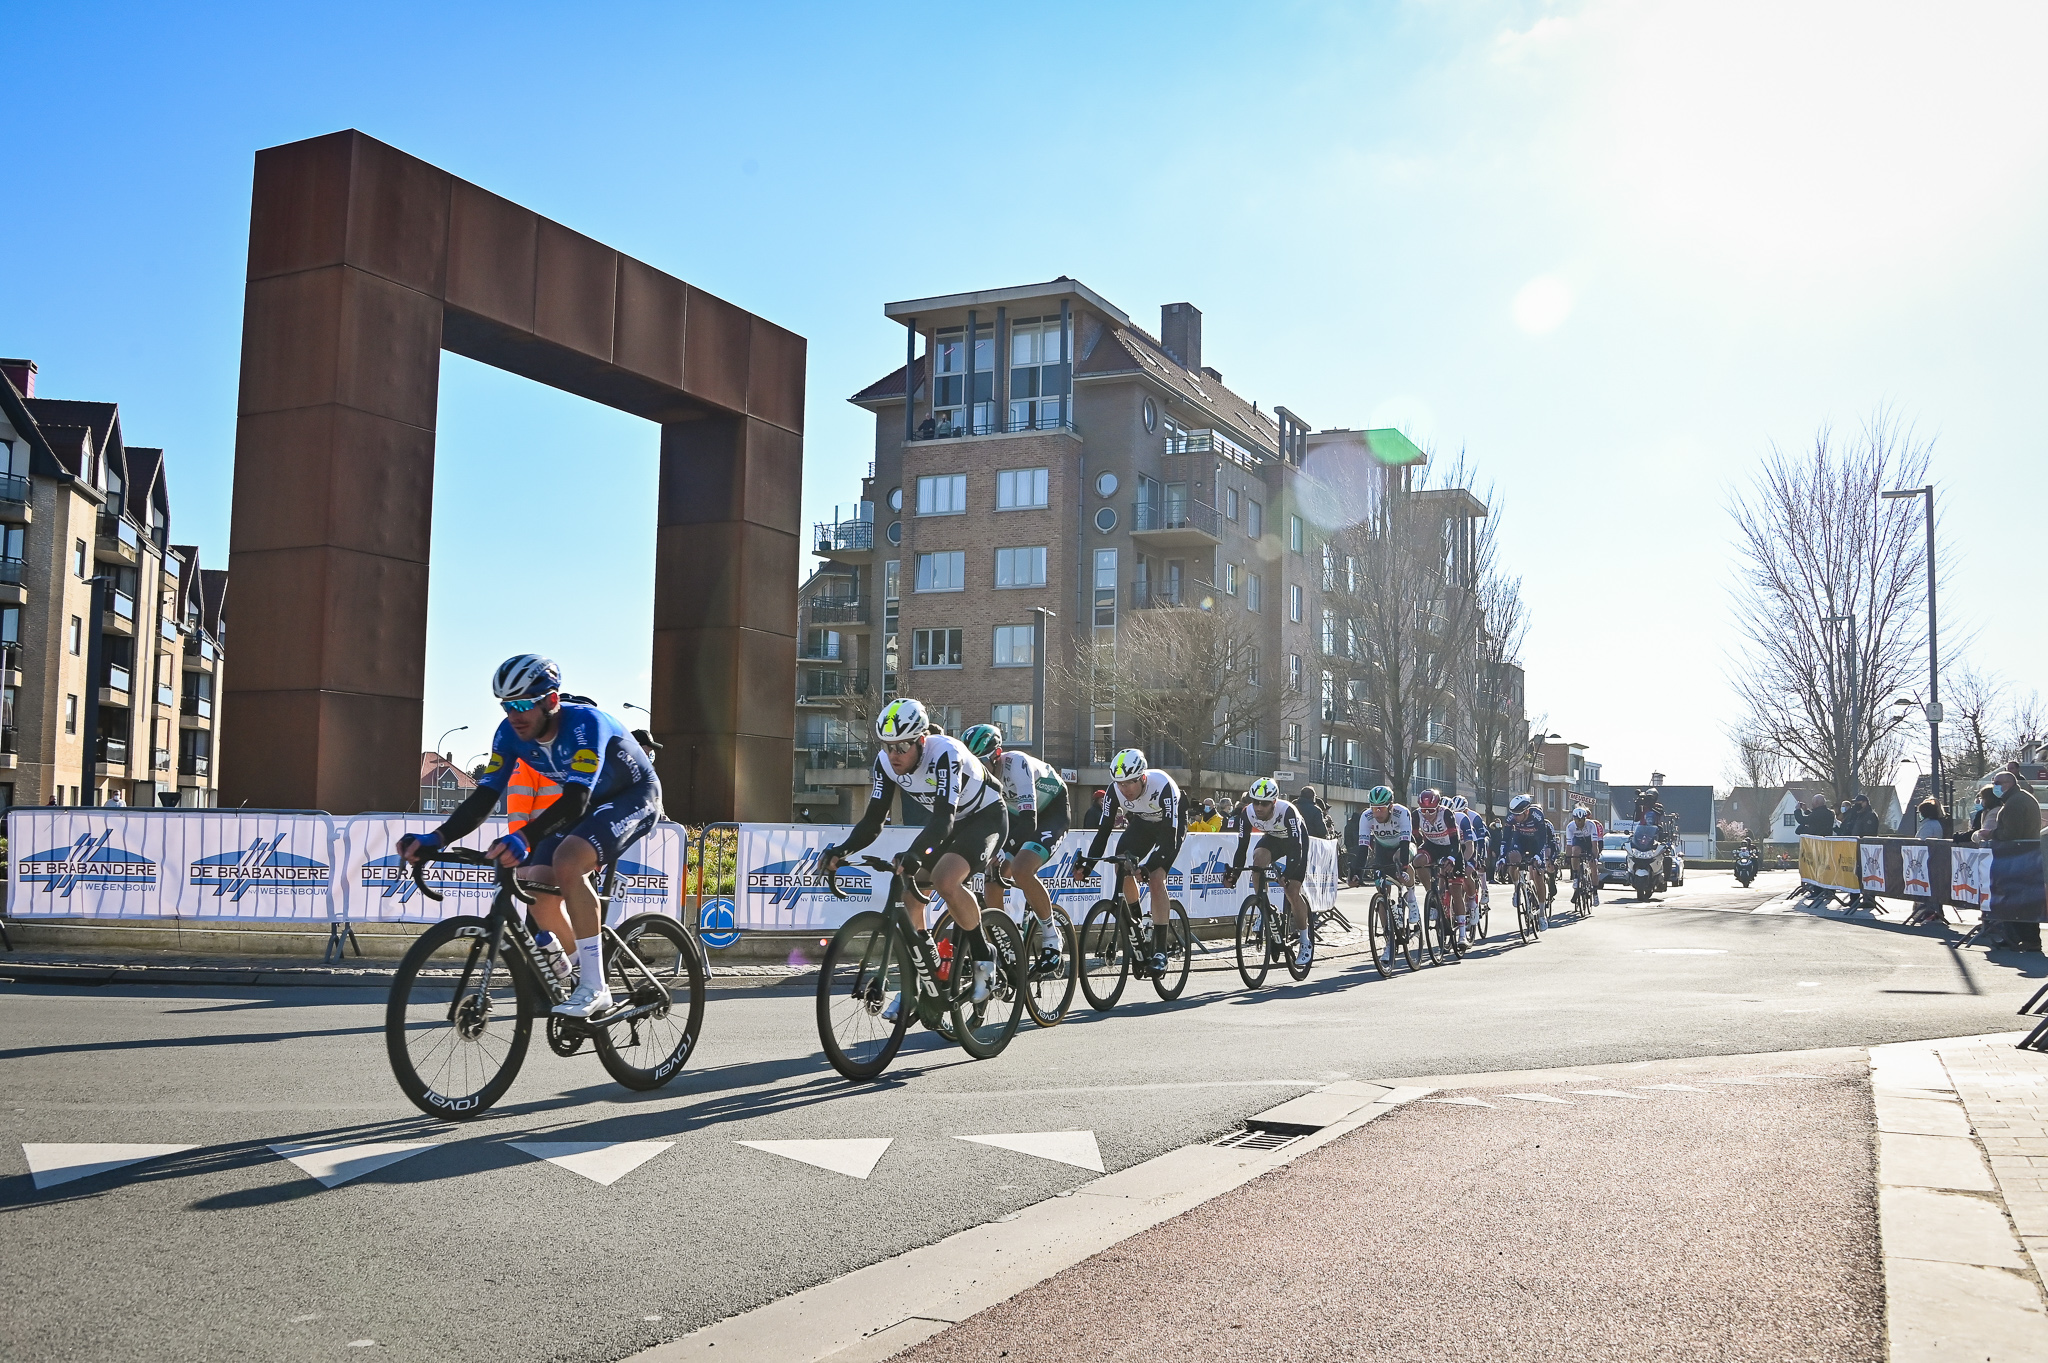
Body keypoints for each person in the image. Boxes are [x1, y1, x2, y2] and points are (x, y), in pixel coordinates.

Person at [400, 655, 662, 1018]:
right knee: (535, 883)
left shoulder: (585, 724)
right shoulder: (508, 734)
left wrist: (524, 837)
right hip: (588, 805)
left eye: (523, 704)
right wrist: (437, 837)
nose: (515, 715)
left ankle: (596, 988)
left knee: (568, 861)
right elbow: (485, 796)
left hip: (634, 797)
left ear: (551, 701)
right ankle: (583, 966)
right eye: (507, 705)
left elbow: (575, 801)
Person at [819, 699, 1008, 1015]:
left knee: (945, 880)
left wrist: (916, 854)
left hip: (985, 816)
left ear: (921, 740)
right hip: (951, 823)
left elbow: (943, 819)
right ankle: (925, 973)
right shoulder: (886, 763)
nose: (894, 755)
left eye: (903, 746)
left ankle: (984, 958)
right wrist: (841, 851)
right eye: (888, 746)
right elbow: (873, 820)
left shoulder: (945, 753)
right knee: (909, 894)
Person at [961, 722, 1069, 976]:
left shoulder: (1016, 764)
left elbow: (1029, 821)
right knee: (992, 881)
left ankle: (1052, 937)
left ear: (997, 755)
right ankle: (1006, 944)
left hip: (1049, 812)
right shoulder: (979, 777)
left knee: (1021, 869)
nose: (976, 770)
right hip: (1015, 817)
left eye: (981, 763)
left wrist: (1003, 848)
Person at [1074, 749, 1184, 978]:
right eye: (1119, 784)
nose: (1123, 789)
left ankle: (1161, 952)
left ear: (1142, 778)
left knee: (1155, 879)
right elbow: (1103, 832)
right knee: (1121, 864)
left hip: (1170, 826)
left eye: (1128, 784)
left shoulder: (1163, 785)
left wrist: (1149, 866)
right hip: (1143, 823)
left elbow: (1169, 837)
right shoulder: (1115, 791)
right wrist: (1089, 866)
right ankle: (1137, 925)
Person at [1224, 777, 1315, 968]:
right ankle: (1263, 908)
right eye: (1255, 801)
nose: (1258, 807)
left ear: (1274, 802)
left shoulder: (1287, 811)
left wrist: (1288, 874)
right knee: (1257, 860)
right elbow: (1242, 847)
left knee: (1291, 891)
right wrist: (1235, 874)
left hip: (1295, 842)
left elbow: (1296, 847)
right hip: (1274, 837)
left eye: (1264, 804)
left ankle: (1305, 940)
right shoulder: (1247, 813)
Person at [1358, 786, 1417, 960]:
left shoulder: (1402, 813)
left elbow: (1406, 844)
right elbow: (1363, 847)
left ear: (1390, 806)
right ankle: (1389, 940)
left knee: (1399, 859)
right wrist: (1356, 873)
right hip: (1382, 850)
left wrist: (1404, 868)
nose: (1377, 812)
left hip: (1403, 847)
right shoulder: (1366, 816)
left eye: (1381, 808)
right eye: (1374, 807)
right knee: (1381, 892)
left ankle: (1411, 897)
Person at [1411, 789, 1474, 943]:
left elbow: (1455, 841)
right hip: (1432, 846)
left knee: (1455, 890)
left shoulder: (1446, 814)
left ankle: (1462, 935)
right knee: (1418, 861)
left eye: (1431, 810)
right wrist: (1420, 851)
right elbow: (1416, 836)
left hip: (1451, 848)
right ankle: (1431, 897)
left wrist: (1452, 859)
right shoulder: (1416, 815)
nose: (1427, 814)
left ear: (1438, 807)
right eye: (1423, 809)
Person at [1501, 794, 1558, 903]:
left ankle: (1542, 913)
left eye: (1518, 815)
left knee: (1536, 873)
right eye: (1513, 814)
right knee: (1512, 860)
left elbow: (1543, 840)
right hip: (1520, 840)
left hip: (1536, 842)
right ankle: (1517, 888)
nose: (1515, 817)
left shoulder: (1538, 816)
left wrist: (1541, 856)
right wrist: (1502, 856)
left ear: (1526, 812)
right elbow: (1506, 839)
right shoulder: (1511, 817)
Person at [1904, 798, 1949, 927]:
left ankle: (1929, 912)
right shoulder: (1935, 823)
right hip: (1932, 859)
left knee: (1929, 887)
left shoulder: (1929, 825)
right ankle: (1932, 911)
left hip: (1928, 860)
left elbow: (1922, 841)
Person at [1561, 805, 1602, 904]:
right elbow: (1569, 845)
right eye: (1577, 820)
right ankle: (1576, 876)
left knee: (1593, 865)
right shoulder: (1570, 827)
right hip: (1578, 841)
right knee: (1575, 852)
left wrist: (1594, 857)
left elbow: (1594, 844)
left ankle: (1595, 892)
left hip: (1589, 842)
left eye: (1582, 820)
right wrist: (1567, 857)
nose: (1580, 822)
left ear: (1585, 818)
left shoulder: (1591, 825)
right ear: (1574, 819)